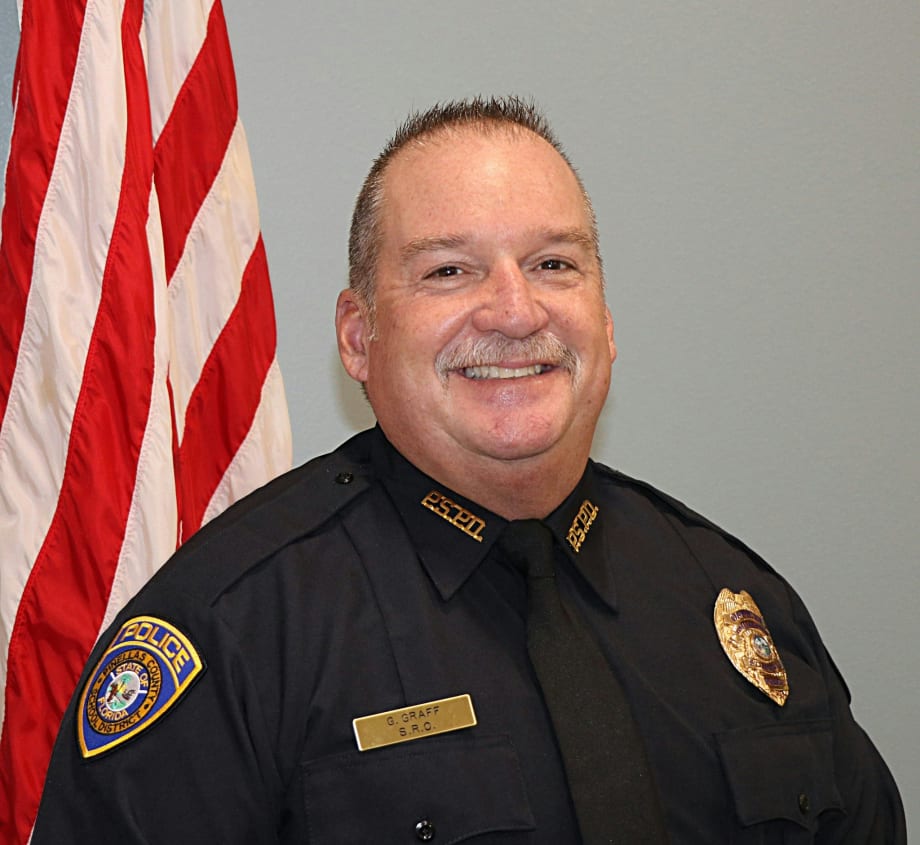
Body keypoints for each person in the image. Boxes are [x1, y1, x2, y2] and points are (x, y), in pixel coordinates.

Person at [32, 96, 904, 843]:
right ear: (358, 336)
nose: (516, 311)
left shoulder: (736, 603)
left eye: (553, 264)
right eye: (449, 270)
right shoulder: (234, 632)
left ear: (606, 321)